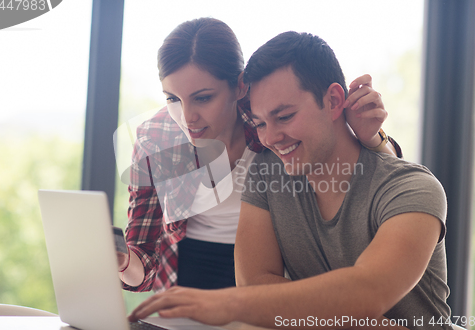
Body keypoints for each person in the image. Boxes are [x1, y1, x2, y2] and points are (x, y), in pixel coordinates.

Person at [127, 31, 451, 330]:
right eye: (260, 123)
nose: (271, 138)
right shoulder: (267, 173)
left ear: (335, 101)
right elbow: (253, 284)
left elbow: (366, 292)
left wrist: (228, 303)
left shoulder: (414, 189)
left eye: (284, 117)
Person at [118, 18, 400, 294]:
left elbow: (373, 169)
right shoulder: (157, 140)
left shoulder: (270, 119)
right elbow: (143, 263)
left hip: (276, 270)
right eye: (172, 99)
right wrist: (122, 260)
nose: (187, 117)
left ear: (240, 86)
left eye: (203, 97)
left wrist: (372, 137)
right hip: (186, 276)